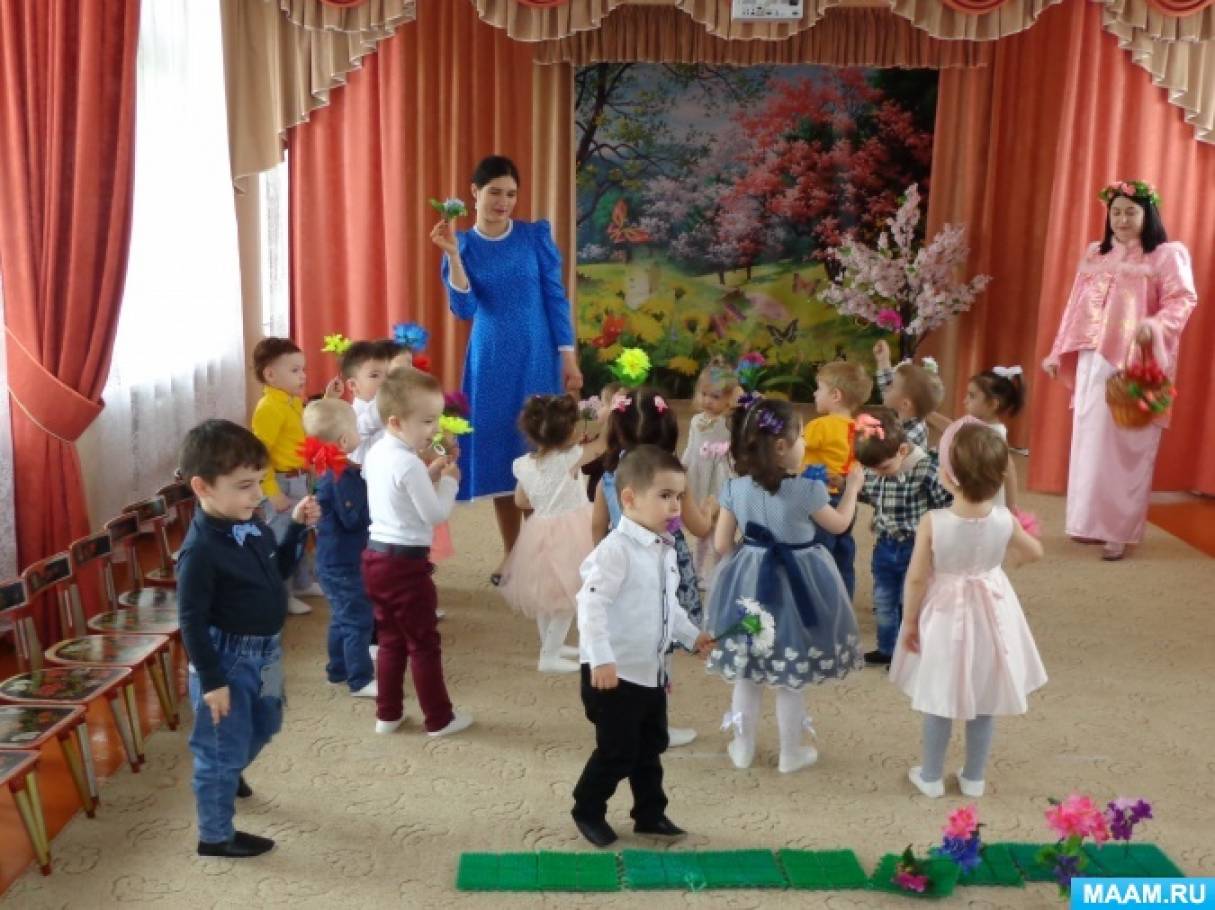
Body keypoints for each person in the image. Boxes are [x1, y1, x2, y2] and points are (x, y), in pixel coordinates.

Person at [430, 155, 582, 586]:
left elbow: (555, 298)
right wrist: (453, 256)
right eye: (494, 192)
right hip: (491, 358)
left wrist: (567, 355)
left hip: (538, 355)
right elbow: (464, 309)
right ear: (474, 193)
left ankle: (543, 550)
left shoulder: (534, 236)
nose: (504, 201)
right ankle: (514, 552)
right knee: (501, 452)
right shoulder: (462, 244)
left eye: (511, 194)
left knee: (539, 449)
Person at [176, 419, 320, 858]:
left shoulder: (252, 525)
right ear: (202, 487)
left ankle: (232, 765)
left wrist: (296, 529)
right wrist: (212, 681)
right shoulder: (200, 552)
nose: (258, 494)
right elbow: (190, 621)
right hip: (227, 661)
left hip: (267, 653)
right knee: (218, 749)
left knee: (266, 723)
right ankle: (215, 836)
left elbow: (276, 573)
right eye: (244, 486)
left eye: (259, 482)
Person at [706, 397, 865, 774]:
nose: (805, 445)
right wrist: (853, 488)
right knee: (790, 679)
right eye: (801, 438)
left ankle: (743, 748)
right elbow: (839, 525)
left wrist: (749, 553)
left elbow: (722, 544)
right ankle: (790, 753)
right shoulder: (807, 490)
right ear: (781, 446)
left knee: (748, 672)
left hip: (750, 580)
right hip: (797, 583)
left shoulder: (735, 487)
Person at [891, 418, 1047, 798]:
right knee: (985, 695)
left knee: (940, 694)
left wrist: (909, 622)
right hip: (993, 611)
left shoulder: (933, 522)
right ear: (999, 478)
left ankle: (930, 776)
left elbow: (916, 578)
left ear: (947, 476)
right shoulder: (1004, 520)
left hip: (945, 614)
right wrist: (1010, 562)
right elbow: (1035, 552)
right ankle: (974, 777)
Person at [1043, 180, 1197, 561]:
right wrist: (1057, 351)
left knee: (1125, 445)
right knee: (1089, 442)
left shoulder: (1165, 255)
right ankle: (1087, 524)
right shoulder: (1097, 254)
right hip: (1091, 359)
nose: (1122, 219)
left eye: (1131, 212)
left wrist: (1156, 326)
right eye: (1116, 212)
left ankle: (1118, 531)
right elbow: (1075, 305)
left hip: (1135, 360)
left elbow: (1182, 298)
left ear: (1148, 214)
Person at [572, 446, 714, 848]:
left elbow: (669, 606)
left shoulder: (663, 548)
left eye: (679, 496)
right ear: (630, 498)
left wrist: (691, 634)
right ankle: (587, 808)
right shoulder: (615, 550)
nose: (675, 506)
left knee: (651, 746)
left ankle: (649, 813)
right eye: (665, 495)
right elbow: (590, 604)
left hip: (651, 672)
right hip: (613, 674)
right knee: (617, 751)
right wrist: (601, 658)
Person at [592, 386, 717, 748]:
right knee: (660, 646)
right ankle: (654, 728)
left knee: (627, 642)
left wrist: (600, 567)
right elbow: (699, 528)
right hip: (663, 567)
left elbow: (597, 526)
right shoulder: (673, 479)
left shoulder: (610, 474)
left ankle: (623, 719)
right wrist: (711, 508)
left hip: (620, 565)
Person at [361, 367, 471, 737]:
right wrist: (450, 484)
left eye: (436, 418)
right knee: (423, 643)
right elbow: (435, 515)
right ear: (395, 421)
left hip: (376, 559)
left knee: (390, 639)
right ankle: (439, 719)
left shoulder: (379, 451)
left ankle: (388, 714)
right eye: (426, 421)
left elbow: (397, 493)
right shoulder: (408, 462)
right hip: (406, 566)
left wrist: (432, 472)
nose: (434, 429)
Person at [499, 394, 596, 673]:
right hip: (571, 532)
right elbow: (602, 446)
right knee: (568, 596)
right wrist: (606, 417)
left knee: (546, 595)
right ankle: (549, 656)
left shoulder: (522, 464)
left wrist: (544, 498)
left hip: (539, 530)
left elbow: (520, 501)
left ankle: (550, 645)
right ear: (569, 432)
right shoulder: (572, 458)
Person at [853, 407, 953, 666]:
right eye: (871, 469)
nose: (877, 473)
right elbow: (870, 494)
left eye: (883, 467)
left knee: (912, 602)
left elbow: (947, 503)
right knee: (884, 600)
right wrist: (847, 486)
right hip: (885, 546)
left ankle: (912, 653)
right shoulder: (875, 469)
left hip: (917, 548)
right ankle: (887, 649)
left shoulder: (925, 469)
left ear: (902, 450)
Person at [249, 337, 340, 615]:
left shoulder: (292, 401)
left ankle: (302, 583)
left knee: (301, 532)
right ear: (270, 375)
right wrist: (271, 492)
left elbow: (303, 432)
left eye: (303, 369)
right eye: (295, 370)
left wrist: (328, 400)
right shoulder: (269, 408)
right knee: (282, 538)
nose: (303, 376)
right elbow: (259, 455)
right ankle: (282, 593)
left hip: (299, 479)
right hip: (281, 483)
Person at [302, 398, 376, 698]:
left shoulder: (330, 470)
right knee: (358, 618)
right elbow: (352, 519)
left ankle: (337, 670)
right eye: (356, 428)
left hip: (332, 559)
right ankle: (359, 680)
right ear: (344, 440)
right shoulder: (343, 477)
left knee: (342, 616)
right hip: (344, 561)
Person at [800, 360, 874, 600]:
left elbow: (796, 449)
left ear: (835, 395)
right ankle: (843, 601)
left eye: (819, 388)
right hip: (847, 498)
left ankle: (817, 602)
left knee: (817, 552)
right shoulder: (859, 429)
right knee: (843, 549)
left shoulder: (819, 426)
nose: (814, 393)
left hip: (820, 498)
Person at [680, 360, 738, 578]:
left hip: (719, 475)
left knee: (719, 525)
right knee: (702, 524)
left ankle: (718, 570)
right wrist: (682, 468)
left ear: (729, 397)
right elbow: (690, 447)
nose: (707, 401)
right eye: (704, 394)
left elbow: (733, 451)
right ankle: (699, 568)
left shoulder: (729, 422)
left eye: (715, 396)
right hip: (698, 474)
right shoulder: (696, 421)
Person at [963, 367, 1025, 510]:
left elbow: (1008, 469)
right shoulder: (976, 425)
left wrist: (1011, 507)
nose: (964, 401)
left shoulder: (994, 434)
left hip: (988, 501)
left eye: (972, 396)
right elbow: (951, 429)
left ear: (992, 404)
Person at [873, 340, 945, 452]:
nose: (887, 387)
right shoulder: (905, 412)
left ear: (905, 404)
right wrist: (883, 360)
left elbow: (883, 456)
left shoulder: (908, 438)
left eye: (892, 386)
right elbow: (890, 392)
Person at [340, 341, 391, 468]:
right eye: (374, 375)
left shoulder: (387, 406)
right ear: (353, 385)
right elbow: (363, 425)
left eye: (388, 375)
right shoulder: (350, 416)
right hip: (361, 477)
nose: (385, 381)